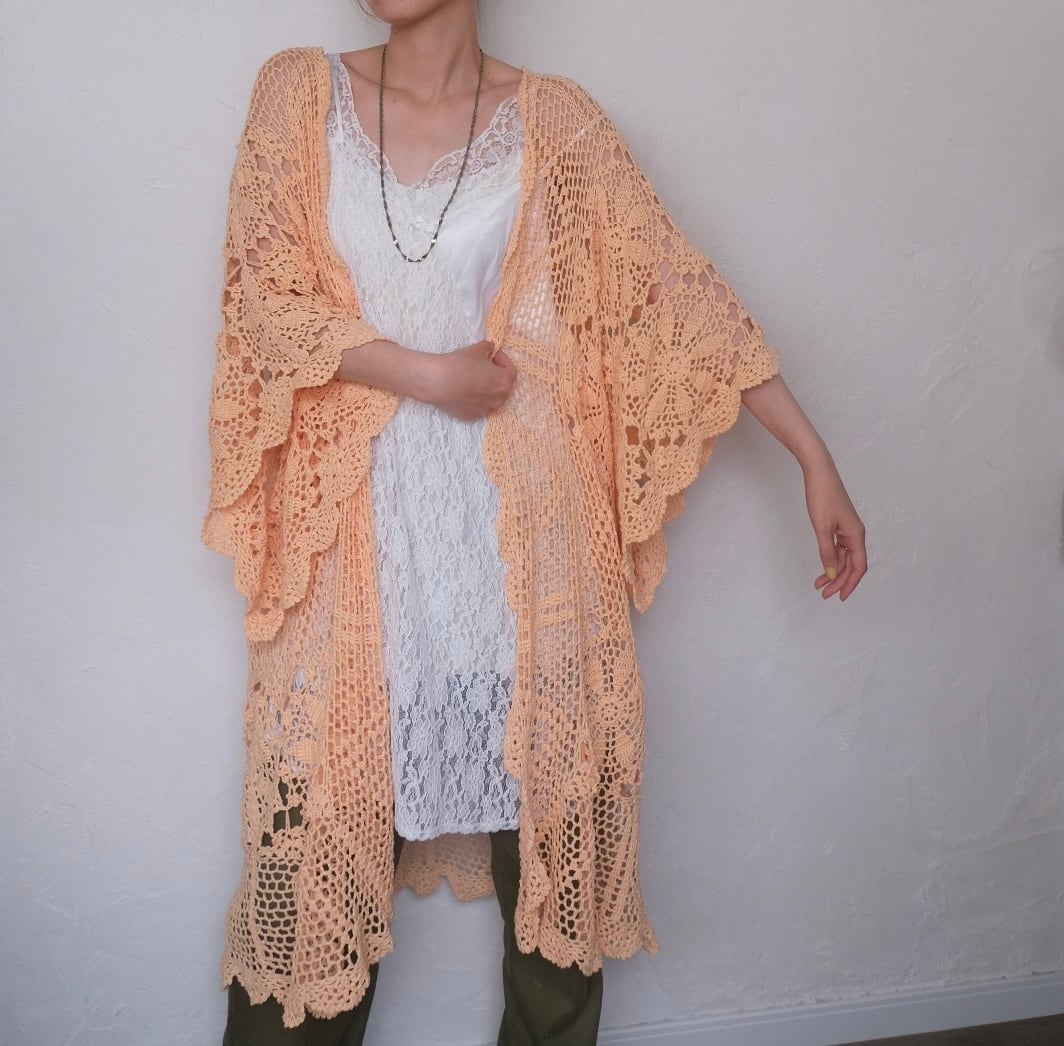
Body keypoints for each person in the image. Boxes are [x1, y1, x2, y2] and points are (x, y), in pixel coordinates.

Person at [202, 1, 868, 1043]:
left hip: (527, 565)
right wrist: (427, 374)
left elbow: (675, 297)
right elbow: (266, 301)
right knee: (309, 895)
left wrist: (812, 456)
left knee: (559, 898)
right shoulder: (298, 96)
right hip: (360, 568)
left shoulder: (557, 122)